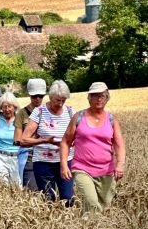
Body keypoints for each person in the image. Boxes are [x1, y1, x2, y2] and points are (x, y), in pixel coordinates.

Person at [60, 82, 126, 213]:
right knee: (92, 203)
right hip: (82, 168)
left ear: (107, 98)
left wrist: (120, 164)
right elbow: (65, 142)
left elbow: (119, 144)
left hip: (106, 171)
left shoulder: (112, 119)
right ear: (89, 98)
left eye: (102, 96)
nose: (99, 99)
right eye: (95, 96)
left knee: (104, 208)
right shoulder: (78, 117)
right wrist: (64, 165)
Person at [21, 80, 74, 205]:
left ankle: (67, 223)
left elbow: (77, 135)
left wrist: (73, 142)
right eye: (57, 100)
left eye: (63, 100)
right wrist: (44, 140)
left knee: (68, 198)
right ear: (50, 97)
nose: (60, 104)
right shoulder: (39, 112)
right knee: (48, 199)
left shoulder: (70, 112)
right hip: (43, 161)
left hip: (65, 161)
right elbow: (24, 139)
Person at [14, 78, 46, 190]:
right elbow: (17, 140)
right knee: (33, 192)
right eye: (34, 96)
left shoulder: (48, 111)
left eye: (40, 96)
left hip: (48, 159)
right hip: (29, 159)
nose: (37, 99)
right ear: (29, 95)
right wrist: (39, 140)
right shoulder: (21, 114)